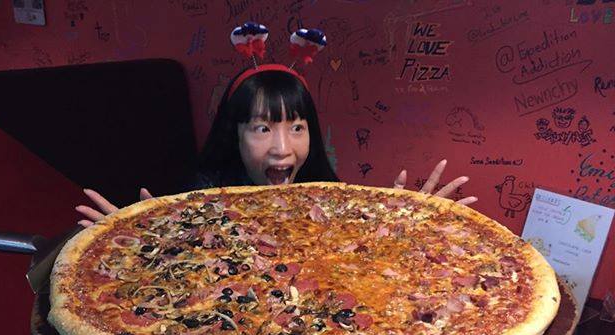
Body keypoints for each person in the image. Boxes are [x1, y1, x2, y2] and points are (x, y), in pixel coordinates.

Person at [76, 65, 476, 226]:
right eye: (262, 128)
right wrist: (134, 239)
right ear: (233, 134)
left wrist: (409, 223)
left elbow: (363, 260)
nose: (282, 148)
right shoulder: (194, 208)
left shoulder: (333, 201)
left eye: (297, 127)